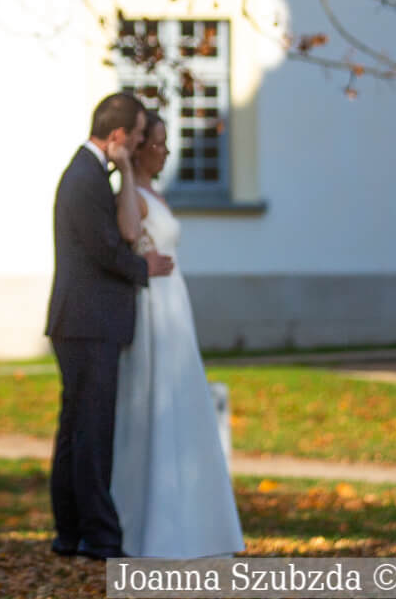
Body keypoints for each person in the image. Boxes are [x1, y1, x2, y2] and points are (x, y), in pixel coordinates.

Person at [47, 92, 176, 560]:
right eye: (139, 135)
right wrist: (145, 269)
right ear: (119, 135)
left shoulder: (87, 173)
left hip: (81, 321)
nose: (141, 143)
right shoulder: (85, 178)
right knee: (90, 433)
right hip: (88, 321)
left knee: (77, 432)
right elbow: (104, 248)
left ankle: (71, 530)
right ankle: (100, 537)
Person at [109, 116, 245, 557]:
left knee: (184, 402)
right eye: (160, 144)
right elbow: (129, 231)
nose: (166, 152)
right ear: (141, 147)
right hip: (153, 310)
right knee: (152, 402)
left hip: (174, 305)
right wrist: (126, 171)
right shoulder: (133, 192)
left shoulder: (157, 194)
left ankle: (191, 517)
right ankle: (148, 521)